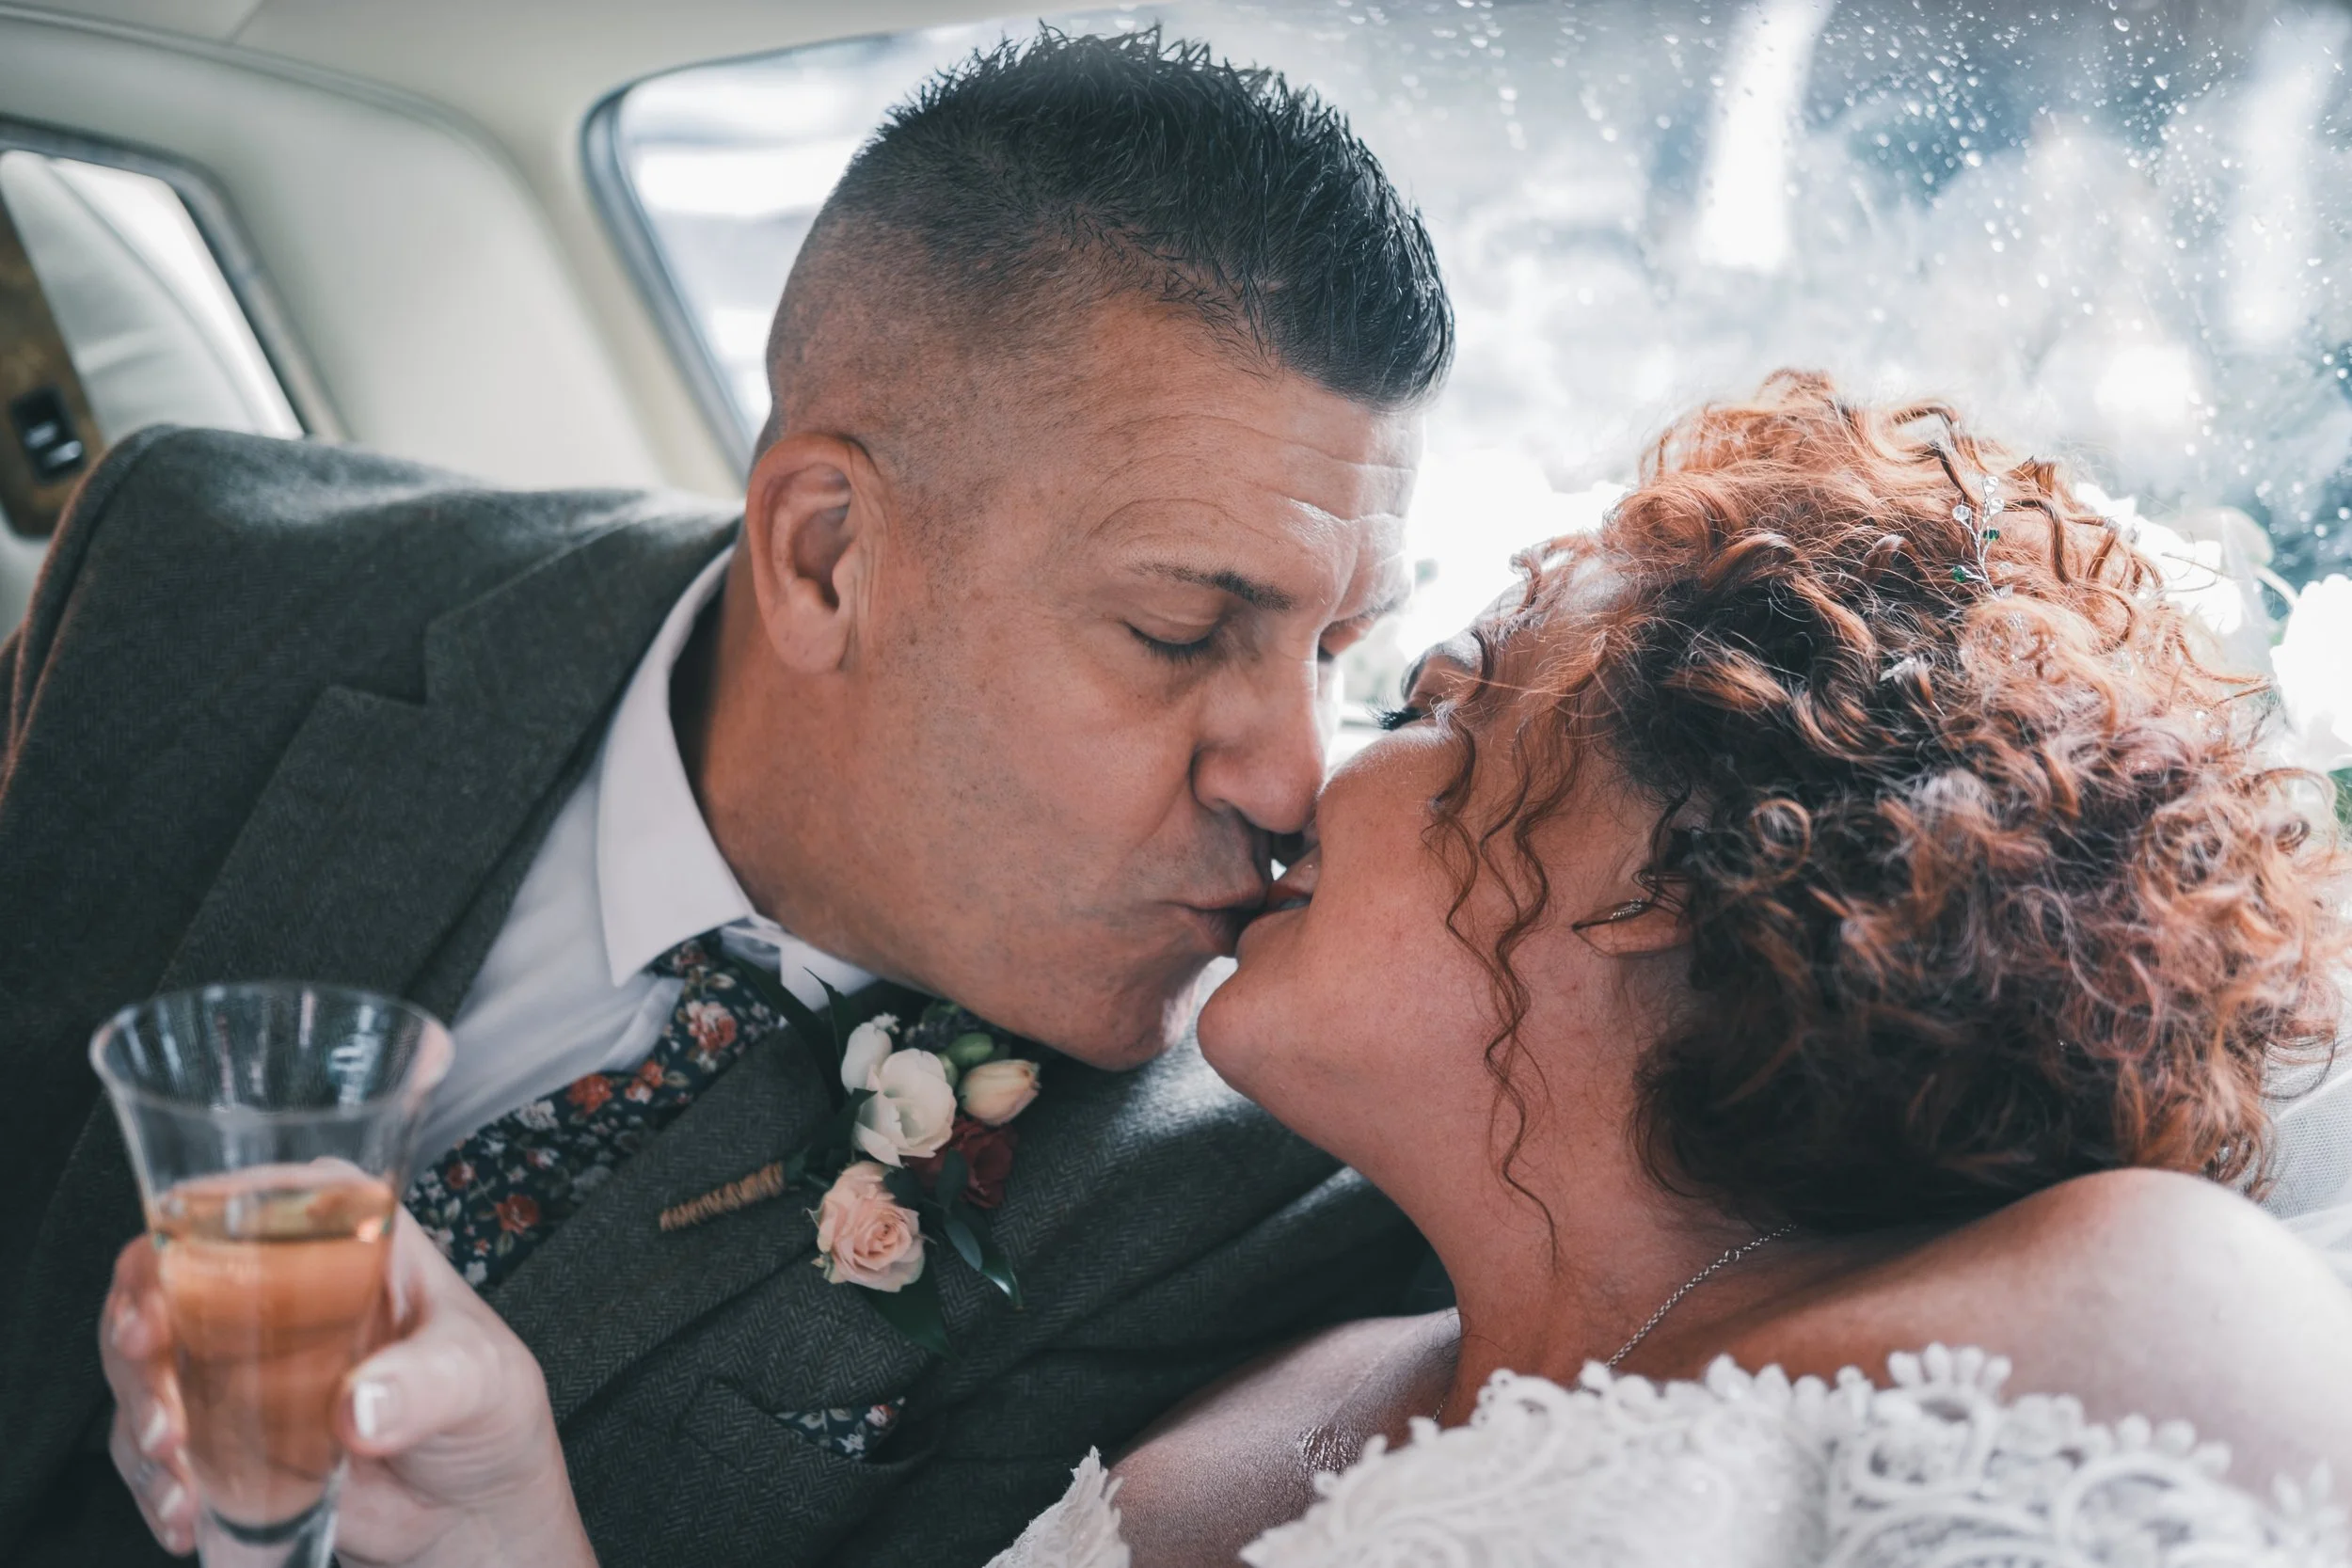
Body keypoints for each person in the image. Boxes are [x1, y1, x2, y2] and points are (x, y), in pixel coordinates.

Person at [124, 374, 2352, 1567]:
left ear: (1677, 865)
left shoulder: (2120, 1301)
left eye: (1437, 703)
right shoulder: (1241, 1413)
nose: (1300, 771)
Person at [0, 32, 1453, 1568]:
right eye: (1177, 629)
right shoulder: (195, 581)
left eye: (1345, 651)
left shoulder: (1241, 1208)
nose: (1297, 777)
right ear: (827, 554)